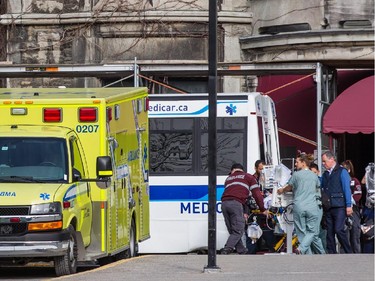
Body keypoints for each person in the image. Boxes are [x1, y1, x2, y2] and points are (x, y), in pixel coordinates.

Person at [277, 153, 325, 255]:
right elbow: (317, 187)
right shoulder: (314, 176)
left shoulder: (296, 175)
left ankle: (304, 251)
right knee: (312, 231)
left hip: (299, 205)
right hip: (312, 206)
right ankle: (304, 251)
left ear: (303, 163)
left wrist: (281, 190)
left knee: (301, 231)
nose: (295, 164)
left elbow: (289, 187)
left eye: (297, 162)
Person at [220, 163, 268, 255]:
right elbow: (257, 194)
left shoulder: (228, 178)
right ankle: (227, 248)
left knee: (232, 230)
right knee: (238, 230)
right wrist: (262, 209)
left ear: (233, 170)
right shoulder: (248, 177)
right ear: (242, 170)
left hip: (224, 204)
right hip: (236, 204)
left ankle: (242, 250)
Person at [321, 151, 353, 254]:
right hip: (328, 207)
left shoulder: (342, 171)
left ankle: (348, 251)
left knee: (339, 229)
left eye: (324, 161)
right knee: (329, 233)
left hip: (339, 206)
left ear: (332, 159)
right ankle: (332, 254)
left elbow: (346, 189)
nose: (323, 164)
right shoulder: (325, 174)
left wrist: (348, 205)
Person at [246, 160, 276, 254]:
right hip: (255, 210)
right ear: (255, 168)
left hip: (266, 209)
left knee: (268, 231)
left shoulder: (270, 179)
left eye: (264, 169)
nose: (262, 171)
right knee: (253, 234)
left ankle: (271, 248)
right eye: (260, 169)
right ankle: (252, 252)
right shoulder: (252, 179)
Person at [341, 160, 362, 253]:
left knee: (355, 233)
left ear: (349, 170)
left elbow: (358, 194)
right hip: (341, 209)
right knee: (343, 233)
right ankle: (344, 253)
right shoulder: (339, 181)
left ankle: (357, 254)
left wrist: (350, 201)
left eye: (344, 168)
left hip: (354, 209)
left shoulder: (355, 181)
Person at [309, 162, 327, 253]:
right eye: (311, 173)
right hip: (312, 209)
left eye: (315, 172)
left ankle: (323, 252)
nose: (313, 175)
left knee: (321, 233)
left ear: (318, 172)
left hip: (321, 209)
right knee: (314, 233)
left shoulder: (322, 180)